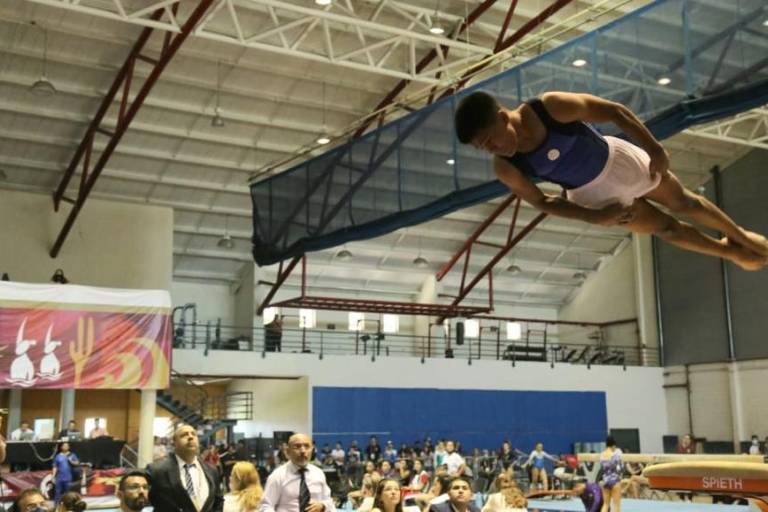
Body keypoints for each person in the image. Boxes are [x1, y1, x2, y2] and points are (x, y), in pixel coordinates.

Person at [454, 91, 768, 271]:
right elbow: (542, 201)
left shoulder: (549, 108)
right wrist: (594, 216)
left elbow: (615, 112)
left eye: (490, 140)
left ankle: (740, 235)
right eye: (483, 148)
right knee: (666, 229)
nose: (493, 149)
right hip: (596, 197)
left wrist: (654, 147)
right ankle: (731, 253)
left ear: (502, 116)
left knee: (684, 202)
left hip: (620, 162)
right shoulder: (506, 167)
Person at [145, 423, 223, 512]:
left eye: (193, 434)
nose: (190, 437)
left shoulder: (212, 470)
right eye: (184, 435)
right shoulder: (156, 470)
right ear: (174, 443)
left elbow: (218, 501)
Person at [258, 433, 335, 512]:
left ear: (312, 450)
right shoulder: (277, 476)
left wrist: (323, 506)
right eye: (297, 446)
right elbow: (265, 506)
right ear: (288, 451)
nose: (302, 451)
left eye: (307, 446)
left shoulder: (318, 474)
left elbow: (328, 501)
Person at [599, 436, 623, 512]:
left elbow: (602, 468)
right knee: (616, 505)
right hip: (615, 481)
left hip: (605, 480)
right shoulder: (615, 456)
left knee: (605, 504)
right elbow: (620, 469)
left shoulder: (602, 455)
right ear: (613, 445)